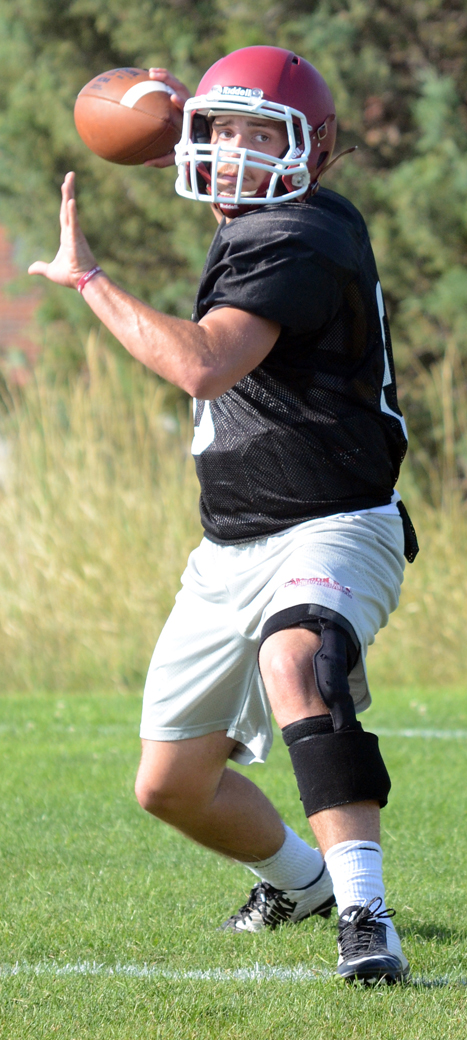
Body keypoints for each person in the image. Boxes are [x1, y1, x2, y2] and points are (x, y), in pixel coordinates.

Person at [29, 45, 418, 984]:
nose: (234, 155)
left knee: (298, 657)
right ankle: (302, 883)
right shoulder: (258, 218)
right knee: (170, 786)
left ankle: (364, 916)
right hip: (230, 544)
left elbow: (202, 363)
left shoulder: (302, 232)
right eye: (221, 133)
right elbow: (229, 194)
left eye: (259, 136)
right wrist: (185, 118)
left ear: (312, 148)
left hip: (334, 520)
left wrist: (88, 280)